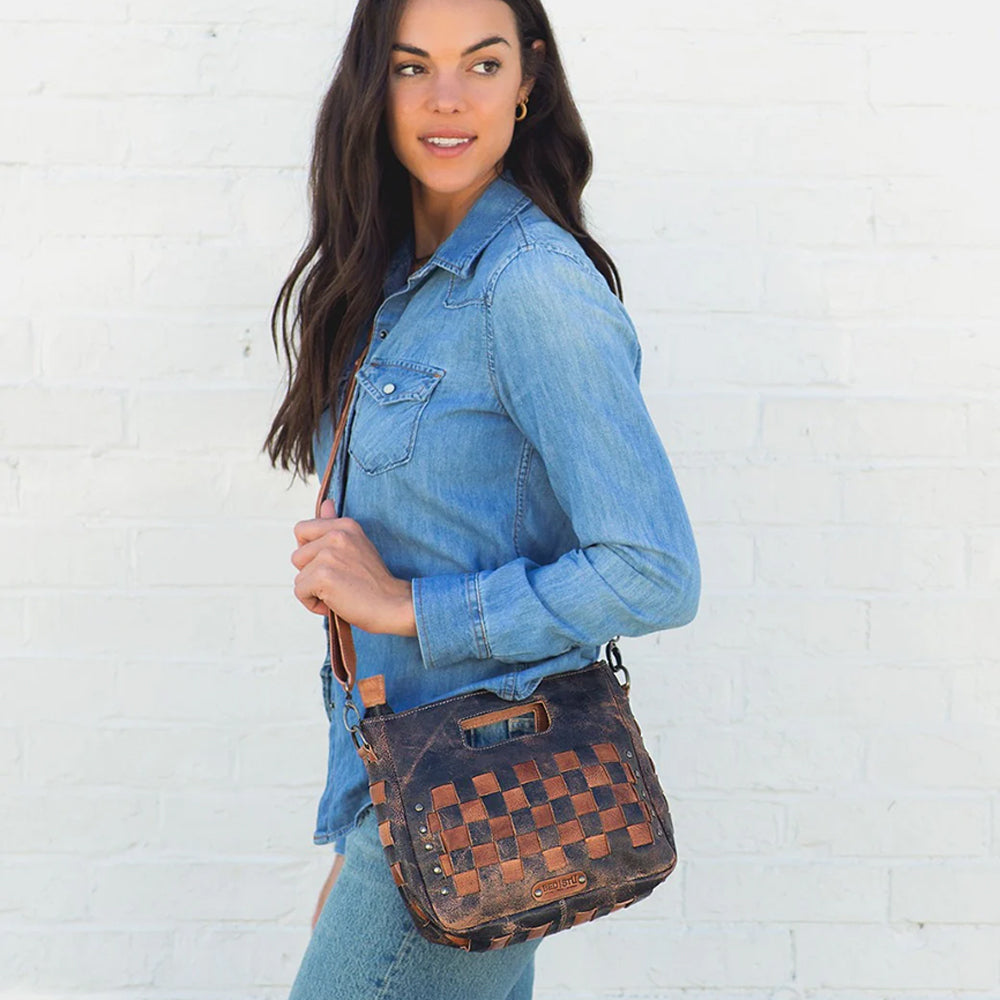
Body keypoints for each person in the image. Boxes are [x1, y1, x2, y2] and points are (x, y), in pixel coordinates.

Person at [263, 0, 701, 996]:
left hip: (484, 791)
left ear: (528, 80)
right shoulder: (386, 277)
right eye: (413, 68)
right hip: (407, 783)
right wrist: (362, 815)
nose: (446, 99)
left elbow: (655, 572)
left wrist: (408, 605)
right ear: (373, 84)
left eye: (482, 63)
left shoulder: (533, 287)